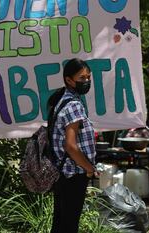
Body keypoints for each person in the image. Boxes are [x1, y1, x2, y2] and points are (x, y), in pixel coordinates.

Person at [49, 58, 98, 233]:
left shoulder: (61, 100)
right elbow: (70, 146)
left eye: (88, 77)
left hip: (62, 172)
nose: (86, 81)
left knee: (61, 224)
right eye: (82, 78)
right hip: (73, 174)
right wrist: (89, 168)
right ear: (69, 80)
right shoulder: (74, 106)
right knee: (69, 225)